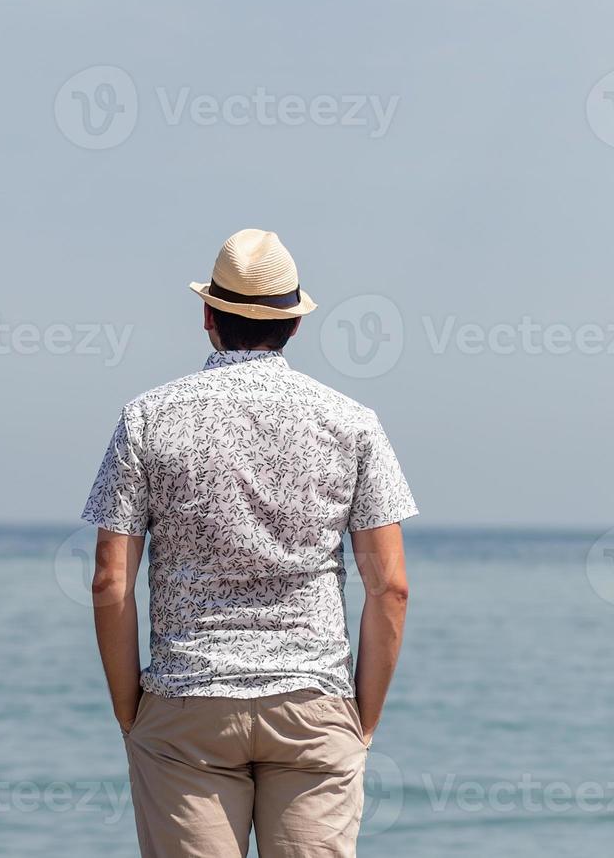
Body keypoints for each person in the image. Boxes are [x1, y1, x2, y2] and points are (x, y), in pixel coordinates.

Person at [82, 228, 417, 857]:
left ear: (208, 315)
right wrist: (361, 722)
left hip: (188, 702)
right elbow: (390, 588)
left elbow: (109, 580)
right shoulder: (351, 423)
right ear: (293, 326)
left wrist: (130, 713)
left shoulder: (148, 417)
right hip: (312, 702)